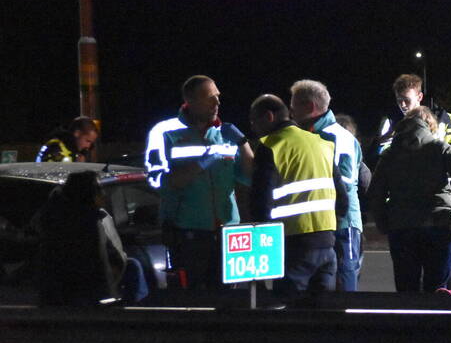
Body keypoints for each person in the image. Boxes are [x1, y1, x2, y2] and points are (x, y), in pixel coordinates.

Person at [144, 75, 254, 289]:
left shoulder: (224, 134)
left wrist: (242, 143)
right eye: (209, 98)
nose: (217, 103)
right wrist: (201, 164)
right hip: (188, 235)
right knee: (193, 299)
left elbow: (250, 176)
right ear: (190, 101)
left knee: (227, 300)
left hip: (227, 233)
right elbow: (160, 182)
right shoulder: (165, 133)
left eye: (218, 97)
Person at [367, 107, 451, 292]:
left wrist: (384, 222)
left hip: (401, 227)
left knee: (406, 289)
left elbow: (375, 192)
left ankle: (410, 320)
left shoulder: (390, 154)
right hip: (438, 224)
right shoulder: (440, 148)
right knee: (438, 289)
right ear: (429, 125)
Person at [250, 94, 340, 301]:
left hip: (294, 247)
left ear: (269, 117)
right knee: (322, 318)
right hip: (327, 245)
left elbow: (260, 203)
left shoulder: (270, 145)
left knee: (289, 319)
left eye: (254, 121)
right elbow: (341, 198)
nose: (253, 128)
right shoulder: (322, 143)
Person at [289, 80, 364, 292]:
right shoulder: (312, 135)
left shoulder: (337, 137)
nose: (291, 113)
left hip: (341, 225)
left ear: (310, 107)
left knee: (344, 286)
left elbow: (345, 185)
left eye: (294, 107)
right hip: (321, 226)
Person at [34, 170, 147, 305]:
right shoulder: (87, 220)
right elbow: (96, 261)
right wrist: (108, 293)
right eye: (98, 189)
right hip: (84, 296)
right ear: (86, 192)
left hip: (57, 294)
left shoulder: (54, 215)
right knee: (133, 267)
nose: (103, 194)